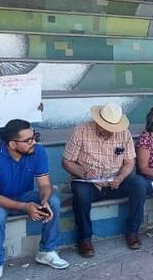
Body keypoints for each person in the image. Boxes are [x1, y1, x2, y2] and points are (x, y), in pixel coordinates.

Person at [0, 118, 69, 280]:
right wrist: (25, 207)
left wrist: (43, 200)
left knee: (54, 200)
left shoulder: (38, 151)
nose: (33, 142)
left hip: (23, 196)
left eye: (34, 137)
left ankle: (46, 251)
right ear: (12, 144)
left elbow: (44, 185)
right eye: (28, 140)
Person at [62, 103, 148, 257]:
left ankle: (132, 231)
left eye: (111, 129)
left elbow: (129, 163)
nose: (108, 131)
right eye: (104, 127)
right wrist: (83, 172)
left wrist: (121, 177)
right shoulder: (81, 131)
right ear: (97, 122)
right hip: (88, 183)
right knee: (80, 193)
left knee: (139, 183)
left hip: (115, 182)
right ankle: (84, 239)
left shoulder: (124, 134)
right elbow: (67, 162)